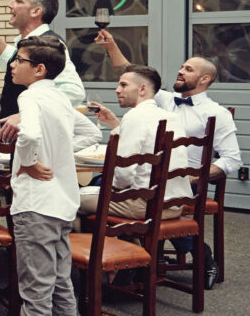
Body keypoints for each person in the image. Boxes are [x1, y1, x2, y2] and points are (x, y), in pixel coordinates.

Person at [0, 35, 99, 316]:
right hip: (61, 203)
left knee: (36, 290)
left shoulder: (31, 96)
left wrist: (28, 162)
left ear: (39, 69)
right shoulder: (59, 98)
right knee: (60, 284)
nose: (12, 64)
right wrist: (55, 151)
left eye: (19, 60)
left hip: (37, 205)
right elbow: (91, 131)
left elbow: (27, 134)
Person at [95, 30, 241, 284]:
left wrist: (191, 177)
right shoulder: (165, 101)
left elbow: (231, 160)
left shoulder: (217, 114)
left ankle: (199, 253)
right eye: (182, 67)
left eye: (189, 69)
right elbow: (135, 74)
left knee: (101, 190)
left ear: (205, 79)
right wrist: (112, 47)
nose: (181, 71)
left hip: (188, 185)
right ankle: (131, 261)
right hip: (150, 181)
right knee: (100, 182)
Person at [0, 0, 85, 141]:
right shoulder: (29, 43)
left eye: (18, 1)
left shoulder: (49, 44)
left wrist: (24, 116)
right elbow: (13, 63)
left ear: (36, 11)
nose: (10, 5)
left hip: (35, 141)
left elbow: (74, 91)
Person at [79, 65, 191, 221]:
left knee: (71, 200)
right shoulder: (171, 117)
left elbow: (123, 175)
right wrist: (115, 124)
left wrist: (110, 187)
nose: (117, 90)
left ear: (142, 89)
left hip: (144, 205)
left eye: (123, 85)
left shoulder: (135, 116)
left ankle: (88, 245)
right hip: (174, 205)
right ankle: (128, 243)